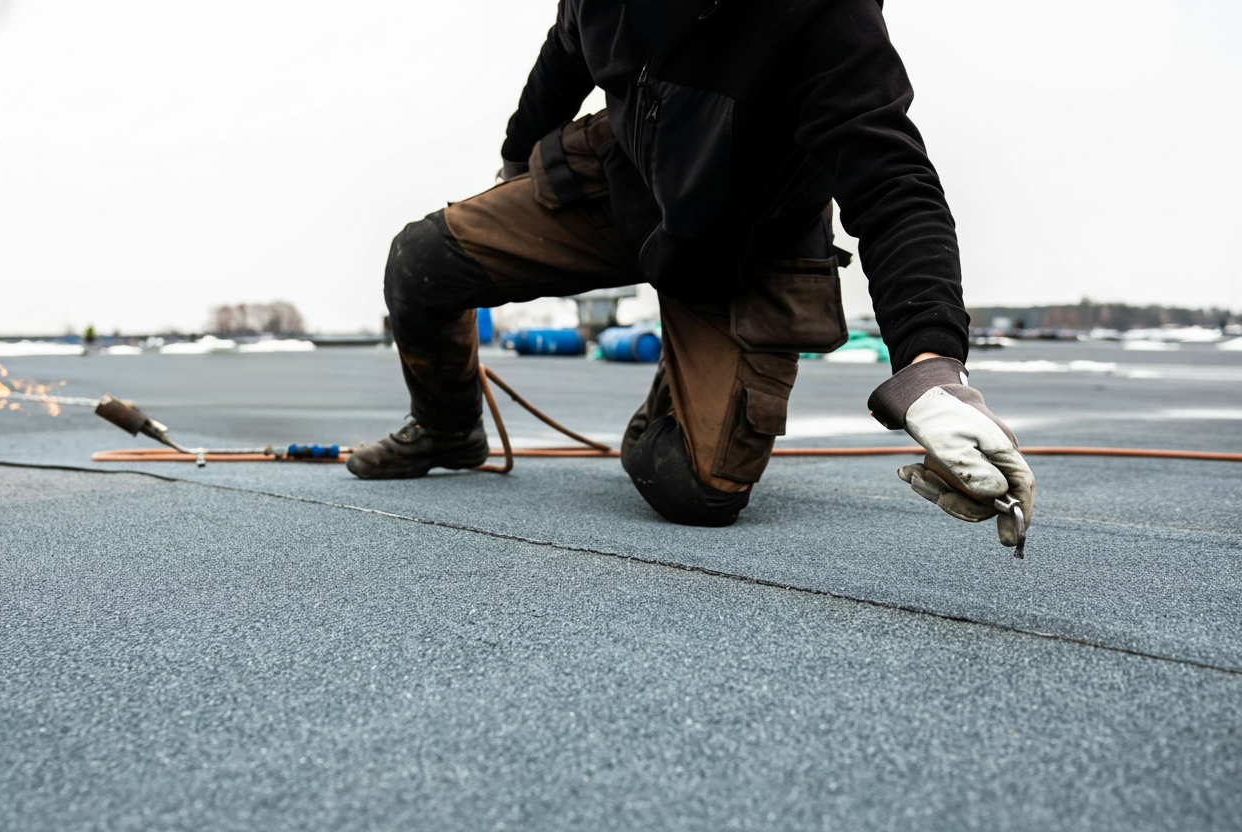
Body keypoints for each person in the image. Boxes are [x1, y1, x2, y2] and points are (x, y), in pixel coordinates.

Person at [347, 0, 1035, 546]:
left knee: (696, 491)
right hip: (626, 180)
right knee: (423, 260)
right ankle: (447, 430)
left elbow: (893, 184)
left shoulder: (825, 13)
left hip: (745, 244)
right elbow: (566, 48)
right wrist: (518, 163)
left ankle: (678, 385)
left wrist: (931, 366)